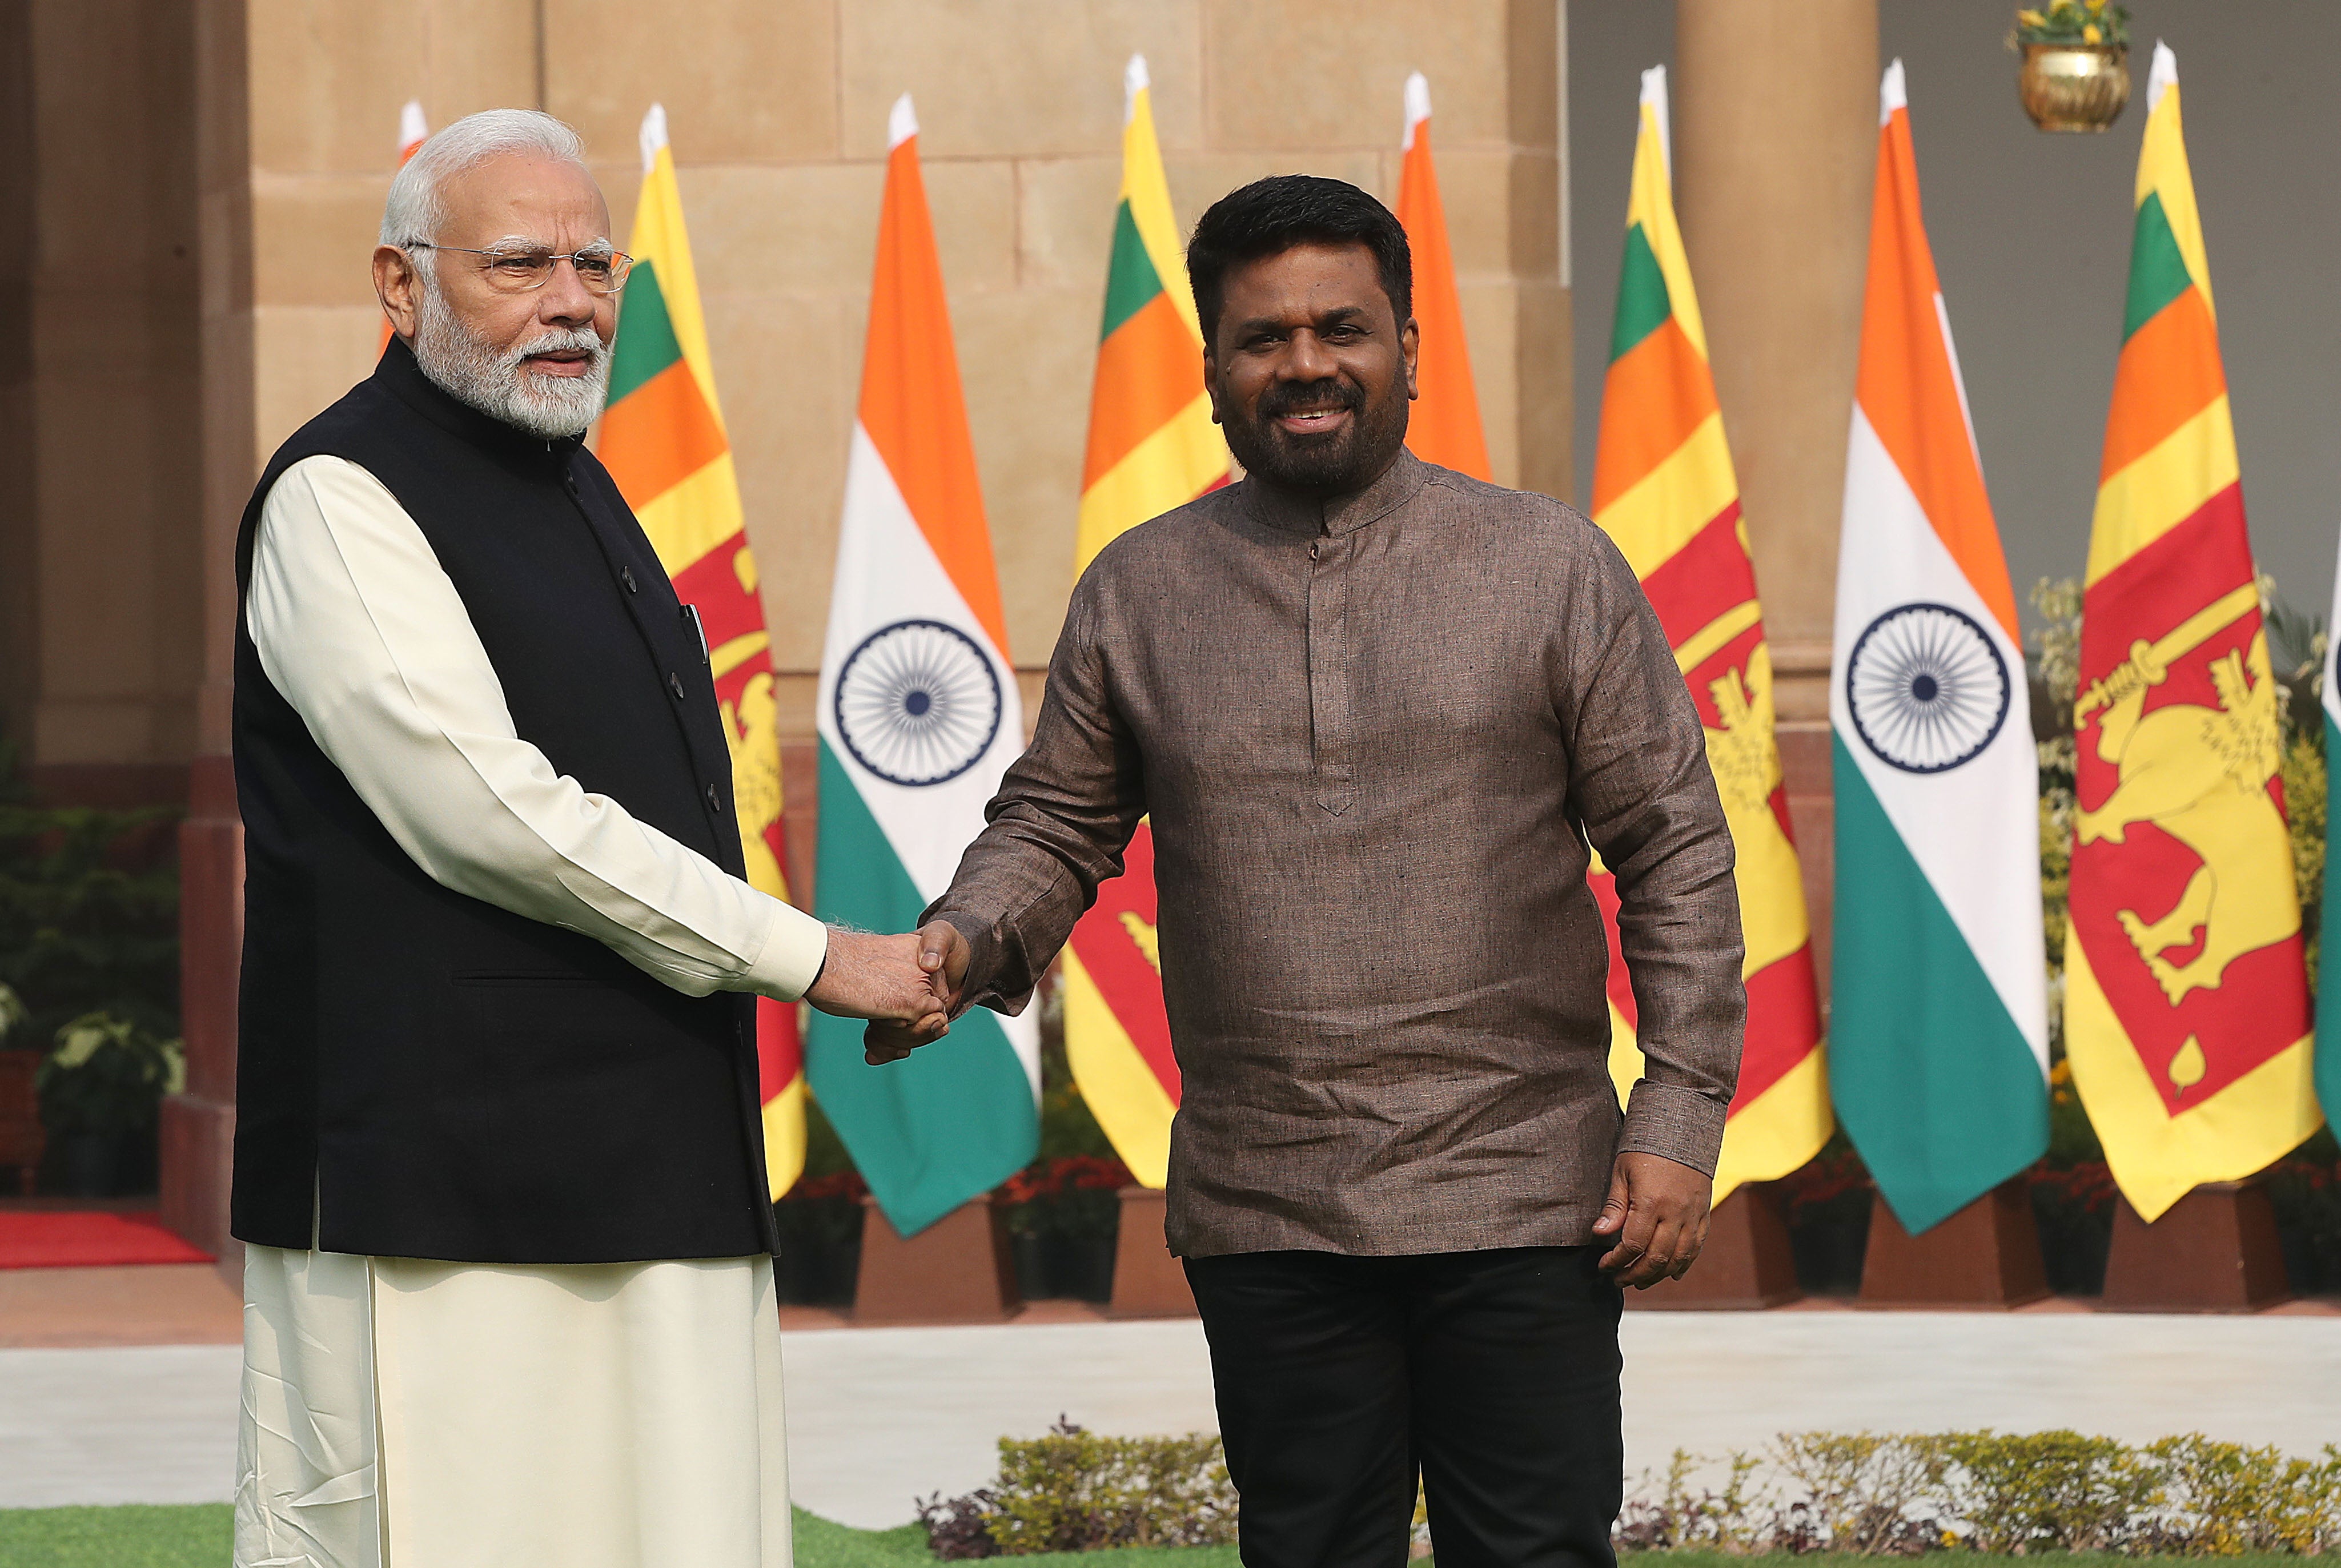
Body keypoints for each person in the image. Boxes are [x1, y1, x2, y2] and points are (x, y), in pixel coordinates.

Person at [872, 175, 1745, 1568]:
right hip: (1270, 1195)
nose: (1305, 364)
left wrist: (1678, 1116)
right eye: (1261, 337)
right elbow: (1054, 823)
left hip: (1524, 1187)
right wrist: (960, 946)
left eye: (1342, 326)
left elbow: (1675, 847)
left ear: (1409, 343)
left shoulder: (1549, 568)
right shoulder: (1140, 589)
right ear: (1211, 371)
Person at [229, 110, 943, 1568]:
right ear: (399, 282)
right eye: (519, 263)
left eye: (594, 262)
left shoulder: (577, 483)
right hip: (433, 1186)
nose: (572, 299)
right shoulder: (339, 495)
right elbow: (486, 812)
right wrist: (816, 958)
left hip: (654, 1148)